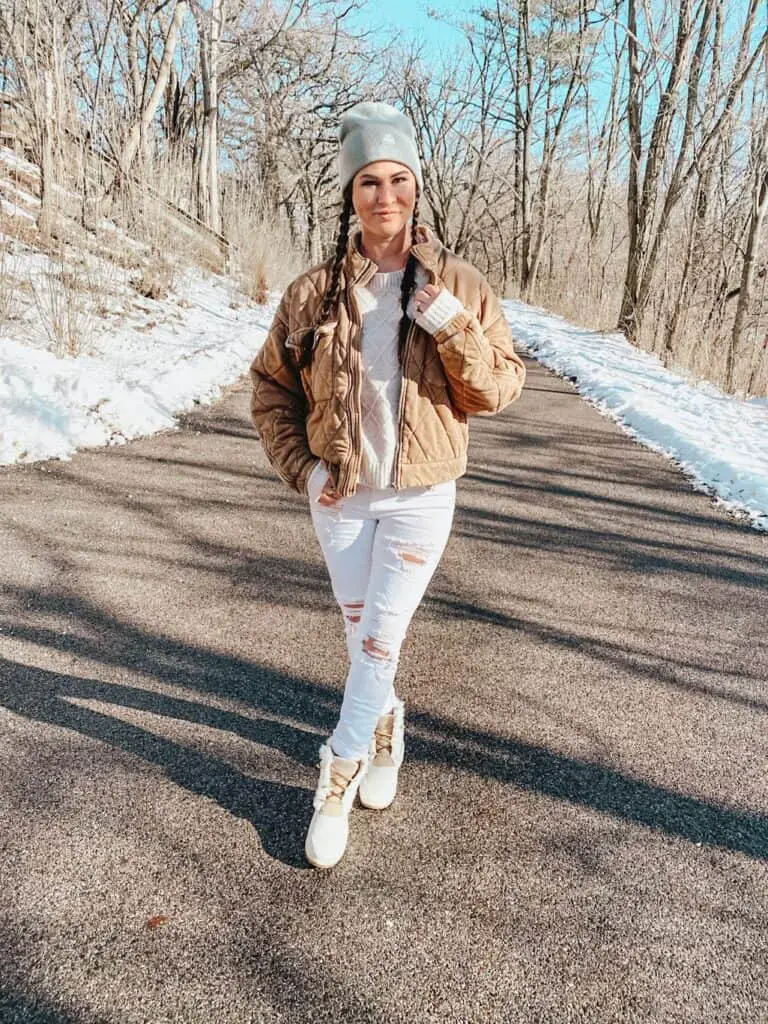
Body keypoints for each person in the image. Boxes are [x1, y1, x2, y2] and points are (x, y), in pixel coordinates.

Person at [250, 101, 525, 869]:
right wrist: (303, 470)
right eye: (368, 181)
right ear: (350, 193)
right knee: (361, 641)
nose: (384, 196)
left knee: (379, 641)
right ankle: (386, 730)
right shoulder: (311, 294)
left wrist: (451, 328)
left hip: (421, 497)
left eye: (398, 179)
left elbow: (500, 388)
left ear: (416, 187)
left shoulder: (461, 286)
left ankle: (335, 772)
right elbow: (270, 389)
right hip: (339, 497)